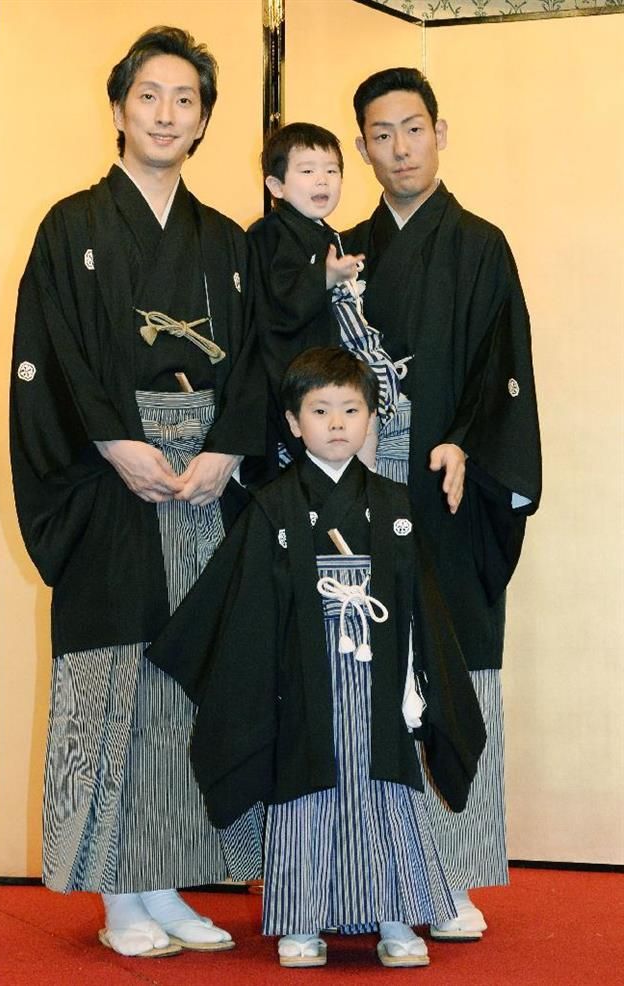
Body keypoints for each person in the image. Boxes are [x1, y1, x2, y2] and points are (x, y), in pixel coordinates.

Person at [10, 26, 264, 958]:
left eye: (185, 99)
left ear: (203, 121)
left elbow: (260, 362)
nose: (166, 113)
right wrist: (116, 443)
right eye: (149, 95)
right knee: (111, 682)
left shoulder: (226, 242)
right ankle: (118, 892)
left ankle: (168, 879)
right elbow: (53, 354)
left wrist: (228, 455)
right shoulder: (71, 228)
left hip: (202, 483)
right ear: (118, 107)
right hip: (110, 479)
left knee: (185, 688)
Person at [147, 347, 487, 969]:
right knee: (305, 798)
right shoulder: (273, 505)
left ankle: (394, 916)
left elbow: (421, 608)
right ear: (293, 421)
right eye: (320, 410)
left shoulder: (392, 504)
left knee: (385, 793)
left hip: (377, 679)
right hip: (304, 681)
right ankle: (301, 922)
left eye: (351, 410)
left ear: (369, 419)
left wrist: (423, 681)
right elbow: (243, 605)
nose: (336, 423)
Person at [344, 67, 542, 940]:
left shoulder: (481, 245)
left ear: (440, 132)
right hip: (362, 490)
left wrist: (466, 439)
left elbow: (507, 372)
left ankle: (452, 872)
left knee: (455, 674)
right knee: (368, 673)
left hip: (448, 487)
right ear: (361, 147)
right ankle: (371, 869)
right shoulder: (342, 251)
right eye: (380, 134)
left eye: (412, 129)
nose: (399, 148)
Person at [248, 122, 390, 474]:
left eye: (332, 171)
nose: (322, 180)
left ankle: (360, 490)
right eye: (308, 171)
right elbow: (280, 301)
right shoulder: (270, 233)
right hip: (298, 371)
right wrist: (326, 277)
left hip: (333, 370)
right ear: (275, 186)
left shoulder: (324, 233)